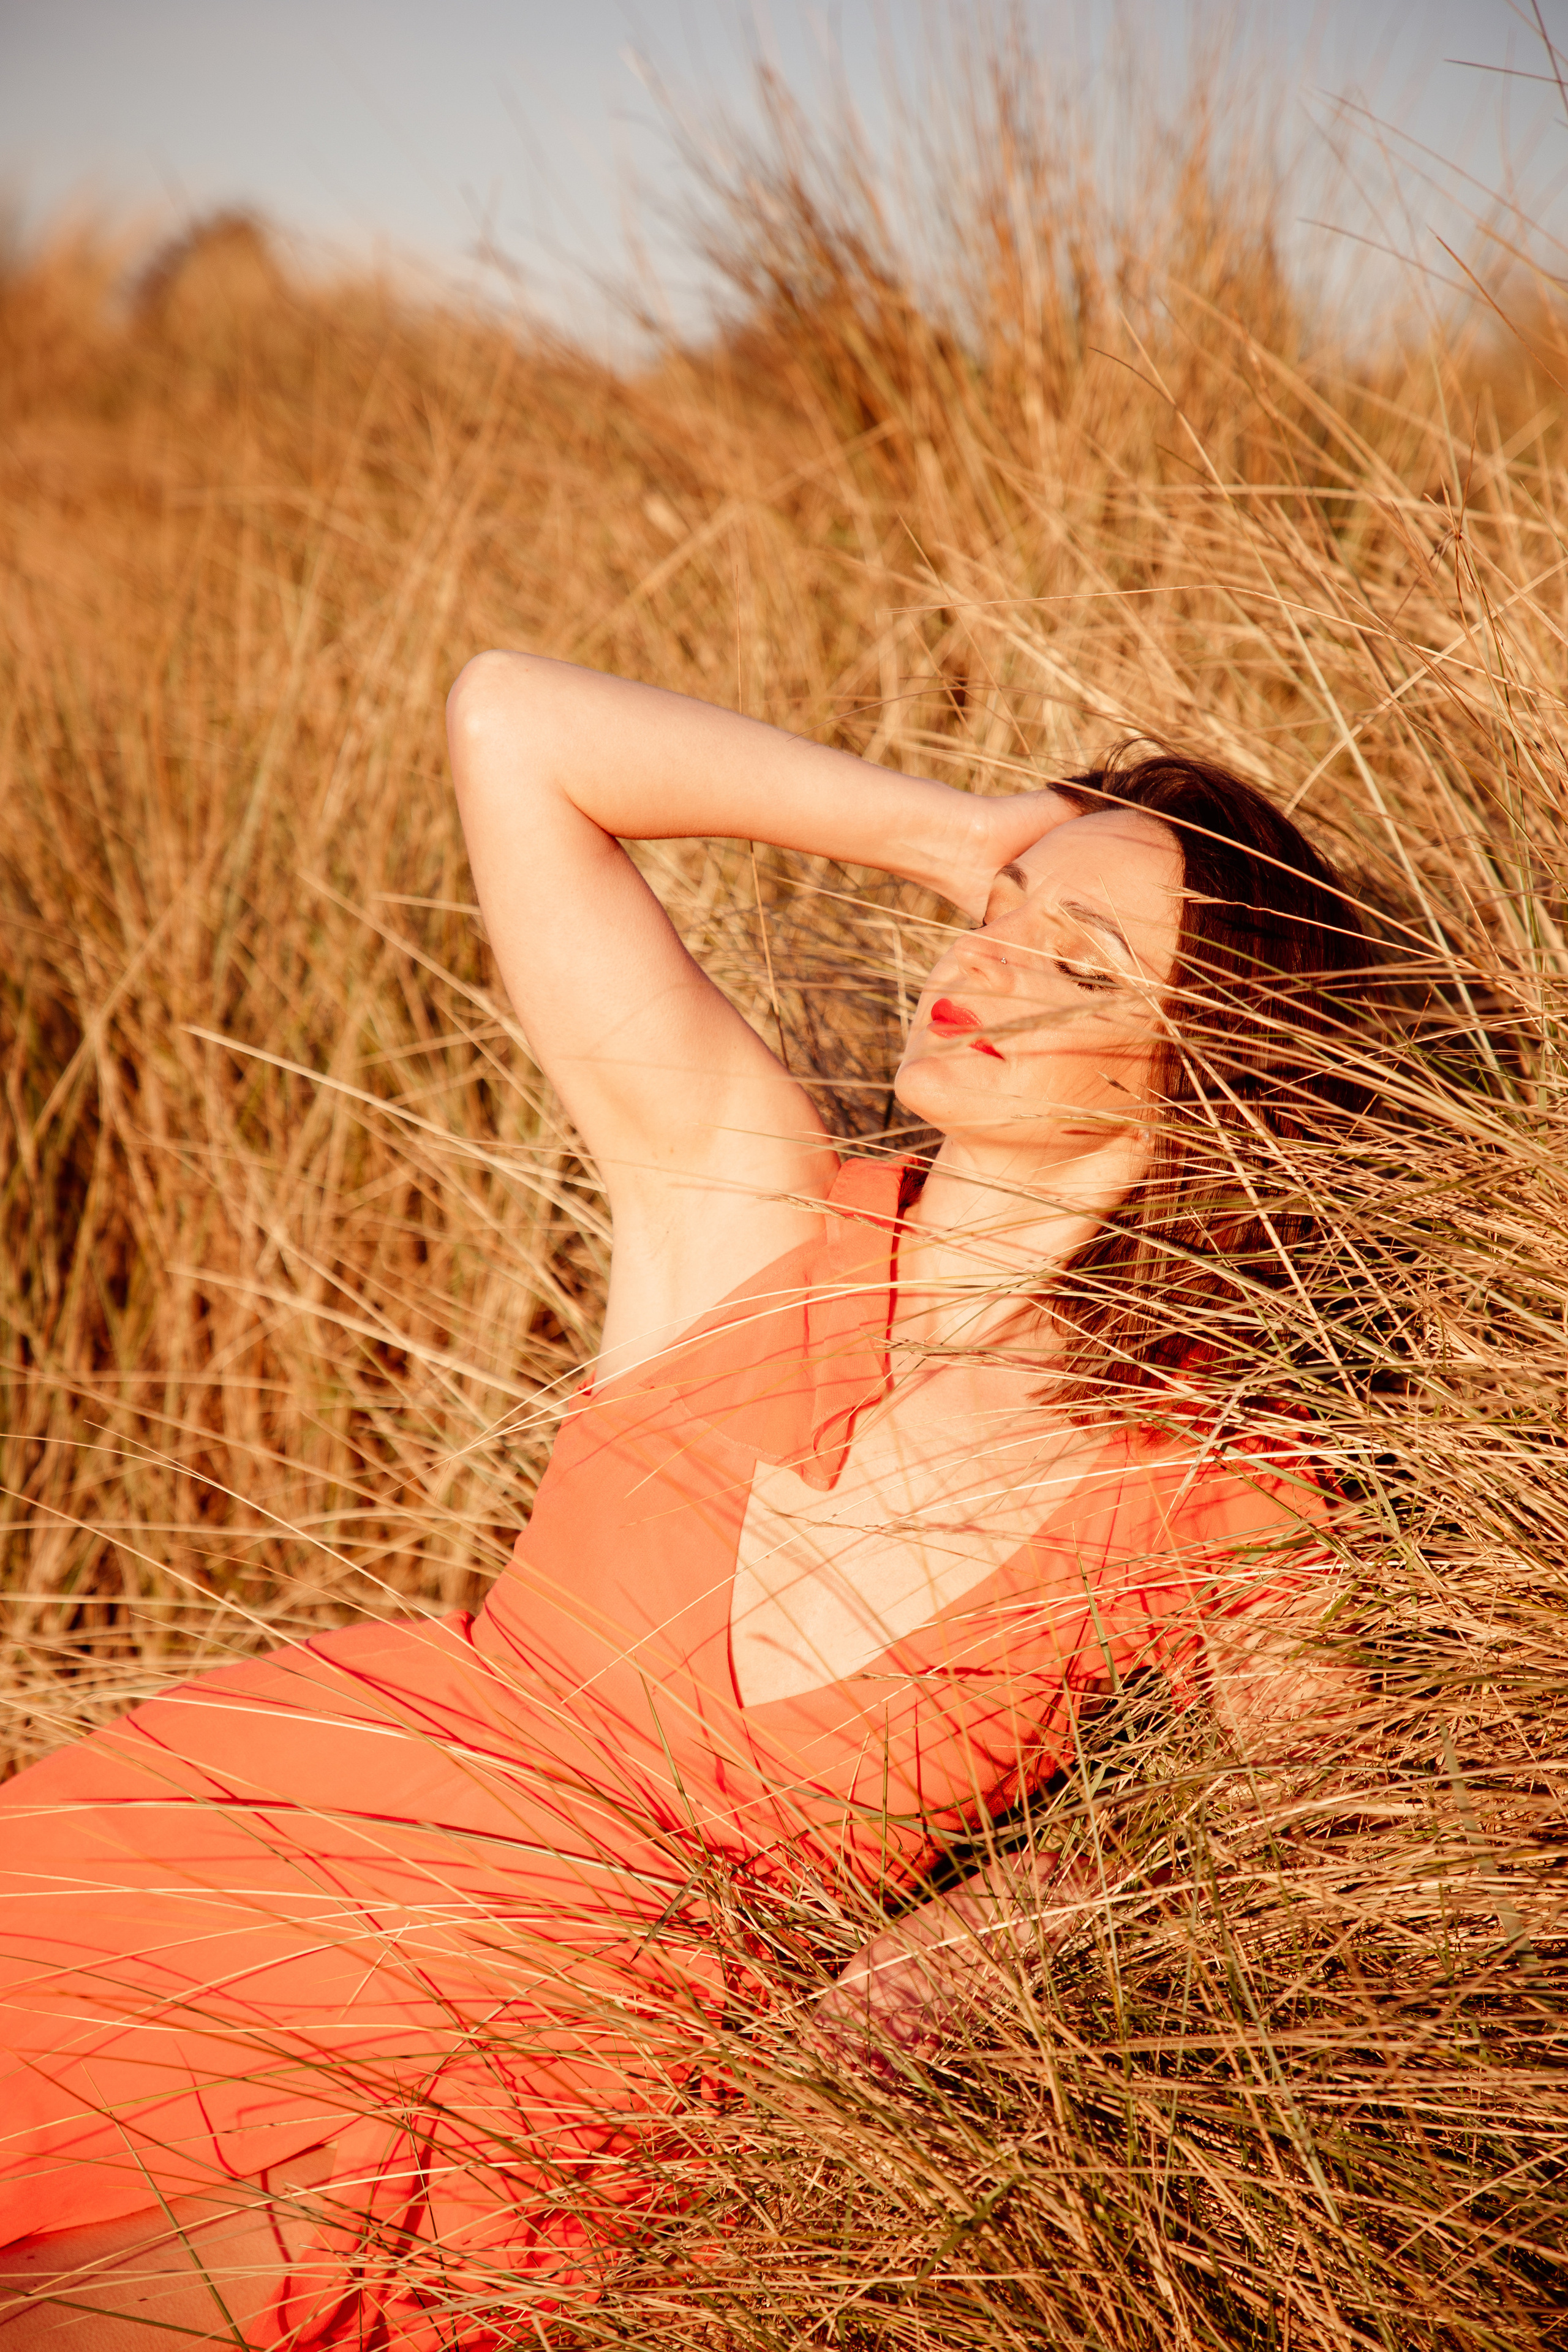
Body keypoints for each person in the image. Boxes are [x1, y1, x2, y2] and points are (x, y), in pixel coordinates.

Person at [0, 657, 1365, 2348]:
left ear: (1205, 1079)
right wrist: (954, 832)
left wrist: (980, 1935)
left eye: (1079, 963)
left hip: (558, 2046)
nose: (993, 958)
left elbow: (1309, 1838)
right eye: (1002, 910)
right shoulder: (746, 1208)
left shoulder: (1204, 1489)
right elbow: (515, 723)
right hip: (277, 1833)